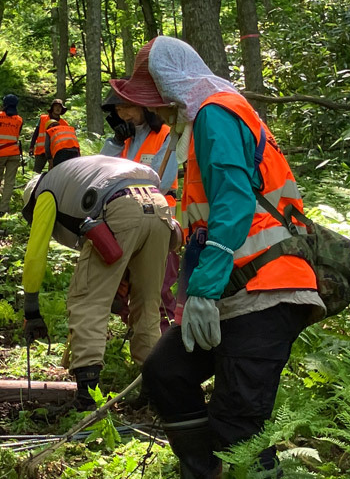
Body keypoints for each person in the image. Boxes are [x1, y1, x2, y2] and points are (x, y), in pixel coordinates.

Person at [111, 36, 324, 476]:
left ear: (170, 89)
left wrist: (203, 292)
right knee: (167, 371)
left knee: (238, 428)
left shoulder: (215, 114)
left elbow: (233, 203)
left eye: (153, 100)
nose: (155, 111)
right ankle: (204, 469)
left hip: (267, 288)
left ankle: (230, 467)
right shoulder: (206, 117)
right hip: (235, 289)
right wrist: (196, 295)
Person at [21, 156, 177, 410]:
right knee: (148, 304)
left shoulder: (46, 192)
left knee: (88, 302)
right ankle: (153, 393)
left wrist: (31, 308)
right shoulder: (74, 178)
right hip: (159, 207)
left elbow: (36, 252)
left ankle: (87, 395)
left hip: (118, 206)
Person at [100, 90, 180, 332]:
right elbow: (101, 173)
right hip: (125, 221)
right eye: (118, 111)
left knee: (156, 292)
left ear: (144, 106)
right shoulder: (124, 139)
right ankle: (140, 343)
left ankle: (164, 348)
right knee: (124, 288)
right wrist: (114, 141)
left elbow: (161, 181)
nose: (123, 115)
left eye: (128, 108)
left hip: (159, 221)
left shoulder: (166, 135)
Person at [0, 94, 23, 214]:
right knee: (9, 182)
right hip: (14, 153)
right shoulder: (19, 119)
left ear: (4, 104)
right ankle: (3, 209)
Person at [30, 99, 69, 173]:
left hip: (55, 153)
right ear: (52, 108)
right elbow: (36, 133)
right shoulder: (43, 118)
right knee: (36, 172)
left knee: (53, 174)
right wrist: (31, 147)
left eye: (60, 107)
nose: (58, 108)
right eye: (56, 106)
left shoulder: (64, 124)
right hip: (41, 151)